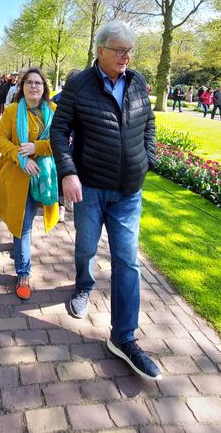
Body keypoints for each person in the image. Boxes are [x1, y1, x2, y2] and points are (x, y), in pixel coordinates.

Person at [50, 21, 161, 381]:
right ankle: (83, 284)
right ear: (100, 51)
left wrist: (148, 158)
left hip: (129, 190)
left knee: (127, 262)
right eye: (120, 50)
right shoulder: (79, 84)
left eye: (130, 50)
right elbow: (59, 130)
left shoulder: (138, 81)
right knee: (85, 247)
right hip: (91, 188)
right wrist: (68, 173)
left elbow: (149, 123)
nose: (126, 56)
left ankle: (124, 338)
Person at [0, 67, 59, 301]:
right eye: (29, 82)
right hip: (18, 178)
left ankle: (18, 252)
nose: (33, 86)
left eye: (38, 83)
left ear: (44, 88)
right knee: (23, 225)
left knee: (24, 226)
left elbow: (61, 141)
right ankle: (23, 273)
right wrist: (21, 158)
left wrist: (37, 148)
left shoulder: (53, 110)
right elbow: (0, 139)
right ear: (21, 87)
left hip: (44, 177)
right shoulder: (11, 111)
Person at [52, 68, 82, 222]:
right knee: (63, 172)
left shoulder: (58, 99)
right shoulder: (57, 100)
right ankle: (61, 206)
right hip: (65, 144)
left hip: (75, 144)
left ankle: (65, 203)